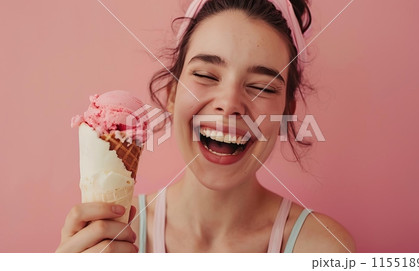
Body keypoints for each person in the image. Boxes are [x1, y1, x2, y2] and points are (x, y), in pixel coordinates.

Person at [56, 0, 355, 253]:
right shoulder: (109, 235)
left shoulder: (322, 247)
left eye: (261, 87)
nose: (230, 103)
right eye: (206, 75)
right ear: (172, 93)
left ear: (286, 113)